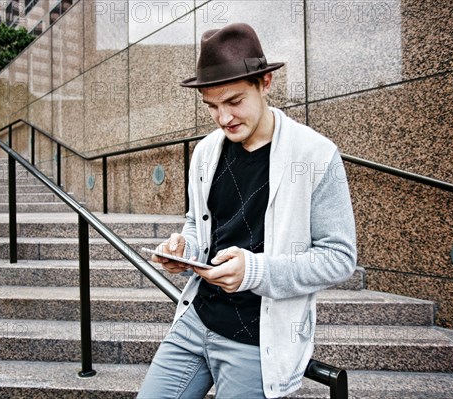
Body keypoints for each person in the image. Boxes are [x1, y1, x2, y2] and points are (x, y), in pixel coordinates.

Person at [138, 23, 357, 399]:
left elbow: (339, 258)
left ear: (265, 82)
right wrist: (185, 251)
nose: (223, 118)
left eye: (234, 101)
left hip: (258, 340)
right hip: (195, 320)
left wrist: (254, 270)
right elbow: (198, 224)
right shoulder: (206, 151)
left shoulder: (316, 154)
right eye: (212, 106)